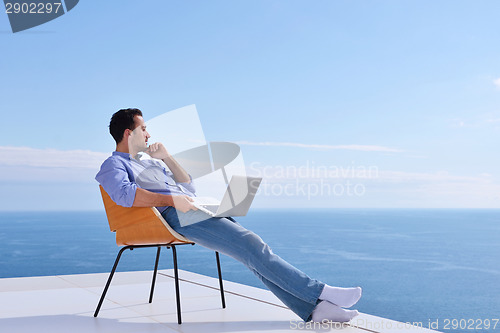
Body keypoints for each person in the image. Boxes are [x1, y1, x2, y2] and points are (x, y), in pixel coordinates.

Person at [96, 108, 362, 323]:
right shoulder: (114, 164)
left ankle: (315, 311)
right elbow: (124, 195)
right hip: (173, 217)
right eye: (144, 128)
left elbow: (188, 186)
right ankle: (320, 292)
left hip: (190, 209)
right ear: (129, 133)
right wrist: (172, 199)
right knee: (251, 245)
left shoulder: (150, 163)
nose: (149, 133)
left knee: (250, 250)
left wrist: (166, 158)